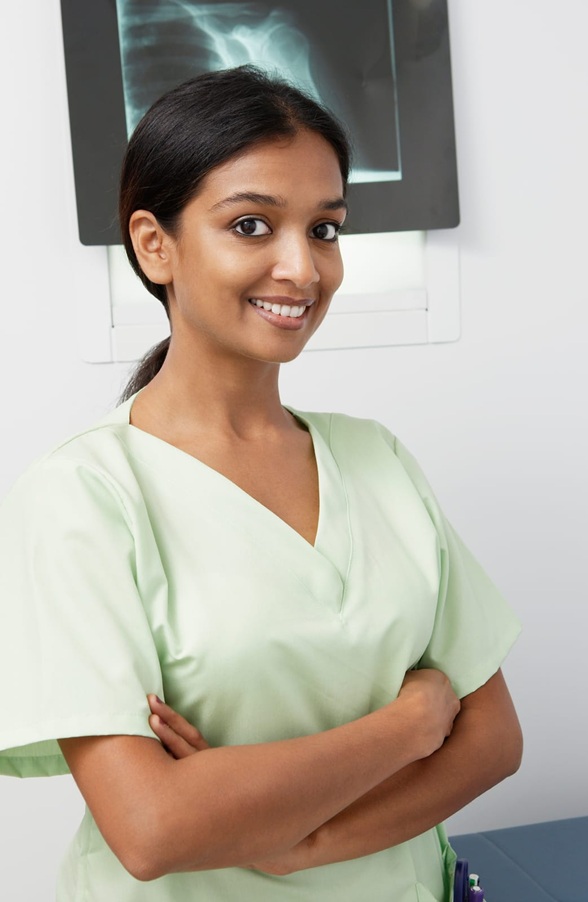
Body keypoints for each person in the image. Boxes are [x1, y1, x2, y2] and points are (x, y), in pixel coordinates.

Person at [0, 65, 522, 901]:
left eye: (324, 229)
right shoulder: (82, 497)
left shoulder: (374, 458)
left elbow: (494, 739)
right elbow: (154, 827)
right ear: (154, 243)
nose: (303, 269)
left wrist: (304, 845)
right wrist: (411, 723)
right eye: (251, 224)